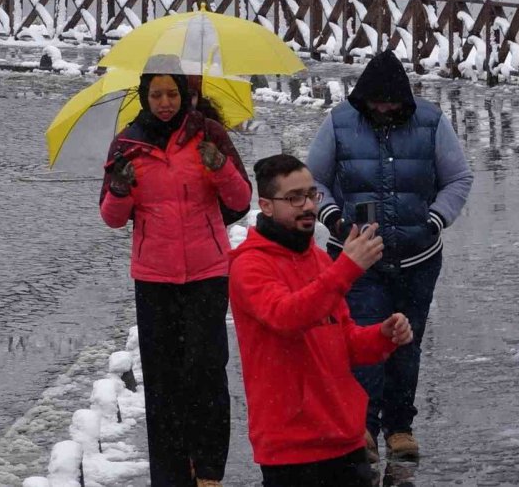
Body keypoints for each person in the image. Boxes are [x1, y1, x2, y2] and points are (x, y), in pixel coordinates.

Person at [306, 49, 473, 462]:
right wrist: (334, 219)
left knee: (405, 342)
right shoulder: (339, 122)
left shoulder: (431, 122)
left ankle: (400, 425)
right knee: (363, 338)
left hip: (418, 257)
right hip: (355, 260)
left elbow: (458, 177)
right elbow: (313, 179)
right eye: (375, 102)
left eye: (390, 102)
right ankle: (363, 427)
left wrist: (434, 220)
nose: (382, 109)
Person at [99, 60, 252, 487]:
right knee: (164, 379)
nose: (165, 103)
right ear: (145, 98)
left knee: (206, 371)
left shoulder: (209, 134)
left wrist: (219, 165)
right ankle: (170, 474)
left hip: (206, 272)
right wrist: (120, 189)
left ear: (184, 95)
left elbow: (240, 199)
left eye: (172, 94)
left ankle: (208, 470)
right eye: (156, 95)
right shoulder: (127, 144)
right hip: (154, 277)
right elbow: (112, 219)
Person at [228, 153, 414, 487]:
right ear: (266, 206)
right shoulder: (249, 266)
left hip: (344, 436)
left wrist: (383, 336)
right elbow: (288, 317)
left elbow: (344, 341)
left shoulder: (317, 259)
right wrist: (347, 268)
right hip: (291, 446)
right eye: (294, 198)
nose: (307, 206)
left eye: (311, 194)